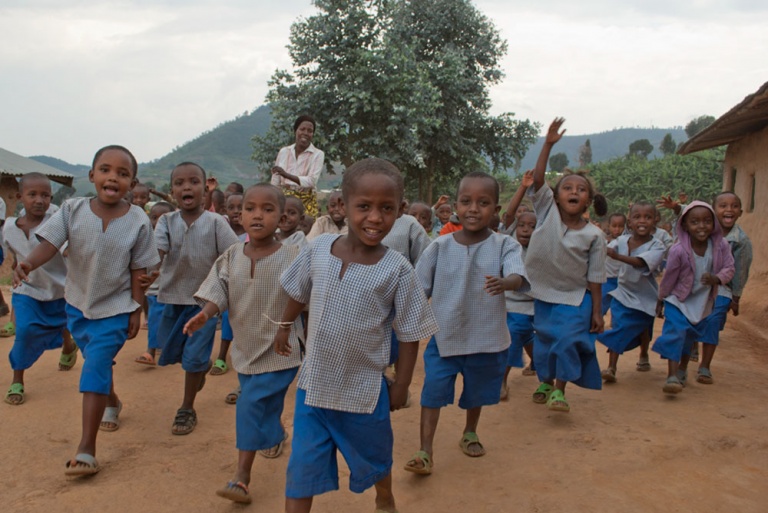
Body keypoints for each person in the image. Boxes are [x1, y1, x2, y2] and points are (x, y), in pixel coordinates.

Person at [273, 158, 438, 513]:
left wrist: (402, 385)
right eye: (364, 207)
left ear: (400, 211)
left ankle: (384, 496)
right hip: (313, 387)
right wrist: (285, 326)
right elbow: (298, 292)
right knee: (301, 468)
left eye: (386, 208)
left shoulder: (397, 269)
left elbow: (409, 333)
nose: (375, 218)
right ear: (343, 205)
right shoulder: (318, 250)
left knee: (375, 455)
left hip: (363, 391)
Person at [13, 145, 159, 475]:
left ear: (132, 183)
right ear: (92, 176)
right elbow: (49, 245)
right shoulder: (72, 209)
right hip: (77, 306)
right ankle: (112, 402)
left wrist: (136, 309)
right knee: (97, 362)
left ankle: (86, 449)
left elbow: (140, 269)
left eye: (123, 174)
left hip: (116, 309)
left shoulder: (138, 220)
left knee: (94, 363)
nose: (113, 178)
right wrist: (28, 263)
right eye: (105, 170)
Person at [183, 184, 303, 504]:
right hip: (245, 350)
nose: (257, 215)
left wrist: (289, 329)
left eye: (267, 209)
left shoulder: (294, 257)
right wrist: (206, 314)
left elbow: (305, 296)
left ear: (281, 217)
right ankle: (276, 433)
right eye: (250, 208)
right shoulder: (232, 255)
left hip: (281, 350)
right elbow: (218, 291)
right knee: (263, 404)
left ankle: (241, 477)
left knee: (249, 405)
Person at [404, 171, 527, 476]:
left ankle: (470, 431)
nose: (474, 208)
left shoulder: (505, 245)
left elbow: (517, 275)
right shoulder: (439, 246)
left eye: (483, 202)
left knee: (477, 392)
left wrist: (506, 282)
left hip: (486, 338)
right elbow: (419, 287)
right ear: (456, 205)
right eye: (466, 201)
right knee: (432, 392)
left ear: (496, 210)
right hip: (445, 338)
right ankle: (425, 450)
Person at [524, 118, 607, 413]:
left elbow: (596, 277)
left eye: (581, 189)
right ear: (555, 197)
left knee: (567, 339)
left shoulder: (595, 235)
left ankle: (560, 390)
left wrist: (596, 310)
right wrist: (547, 143)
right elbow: (537, 181)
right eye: (567, 187)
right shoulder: (547, 214)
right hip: (543, 292)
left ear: (588, 201)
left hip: (575, 297)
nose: (574, 191)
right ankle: (546, 380)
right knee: (546, 341)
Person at [151, 162, 240, 435]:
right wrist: (151, 270)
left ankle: (187, 408)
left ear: (205, 190)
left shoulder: (216, 222)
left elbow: (233, 255)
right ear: (172, 191)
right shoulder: (166, 221)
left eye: (193, 182)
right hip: (172, 297)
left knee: (192, 358)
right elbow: (158, 253)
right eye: (179, 183)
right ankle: (202, 365)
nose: (186, 187)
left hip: (204, 301)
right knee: (171, 351)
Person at [4, 173, 78, 406]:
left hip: (61, 289)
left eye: (45, 195)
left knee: (65, 323)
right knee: (24, 331)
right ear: (19, 197)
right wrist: (17, 268)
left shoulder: (56, 222)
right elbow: (14, 254)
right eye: (32, 194)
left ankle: (68, 345)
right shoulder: (8, 227)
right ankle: (18, 380)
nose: (39, 200)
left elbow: (67, 248)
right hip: (28, 290)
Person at [652, 201, 734, 394]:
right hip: (677, 300)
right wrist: (661, 298)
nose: (701, 226)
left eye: (707, 221)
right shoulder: (678, 250)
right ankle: (671, 376)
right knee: (675, 332)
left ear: (713, 223)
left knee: (690, 336)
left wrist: (716, 278)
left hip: (702, 301)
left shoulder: (721, 245)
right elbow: (669, 277)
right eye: (695, 222)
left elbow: (729, 268)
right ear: (685, 225)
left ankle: (682, 369)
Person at [678, 192, 751, 385]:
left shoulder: (740, 240)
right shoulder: (698, 230)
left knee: (712, 323)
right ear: (713, 210)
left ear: (740, 212)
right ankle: (682, 366)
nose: (729, 210)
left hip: (722, 290)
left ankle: (705, 366)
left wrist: (736, 297)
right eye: (723, 206)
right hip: (694, 289)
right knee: (689, 325)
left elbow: (741, 270)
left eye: (734, 206)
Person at [597, 202, 666, 382]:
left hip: (646, 296)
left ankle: (643, 354)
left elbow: (640, 263)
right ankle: (611, 368)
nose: (642, 221)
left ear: (655, 221)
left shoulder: (657, 246)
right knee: (619, 326)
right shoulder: (620, 241)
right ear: (630, 222)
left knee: (643, 328)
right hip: (623, 292)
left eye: (648, 217)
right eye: (637, 217)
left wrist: (616, 256)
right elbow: (605, 249)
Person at [500, 171, 538, 395]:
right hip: (511, 304)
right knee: (514, 336)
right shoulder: (509, 242)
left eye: (532, 226)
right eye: (522, 225)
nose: (526, 229)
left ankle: (544, 374)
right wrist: (523, 187)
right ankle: (502, 381)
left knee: (533, 341)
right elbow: (509, 215)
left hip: (536, 303)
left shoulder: (542, 245)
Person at [134, 201, 176, 366]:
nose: (157, 221)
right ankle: (151, 351)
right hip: (154, 289)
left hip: (172, 289)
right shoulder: (145, 238)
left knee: (168, 320)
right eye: (153, 217)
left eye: (163, 218)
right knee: (154, 318)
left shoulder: (177, 238)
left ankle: (165, 347)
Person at [271, 114, 325, 218]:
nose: (305, 133)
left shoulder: (318, 154)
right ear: (296, 130)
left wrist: (286, 175)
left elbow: (311, 181)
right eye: (302, 129)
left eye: (310, 131)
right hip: (283, 201)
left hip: (306, 202)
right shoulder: (284, 152)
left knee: (305, 229)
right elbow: (275, 181)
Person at [603, 213, 626, 316]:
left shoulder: (626, 241)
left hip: (622, 280)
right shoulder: (603, 240)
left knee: (619, 307)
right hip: (606, 279)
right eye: (614, 226)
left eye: (620, 226)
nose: (617, 229)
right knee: (601, 305)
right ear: (609, 226)